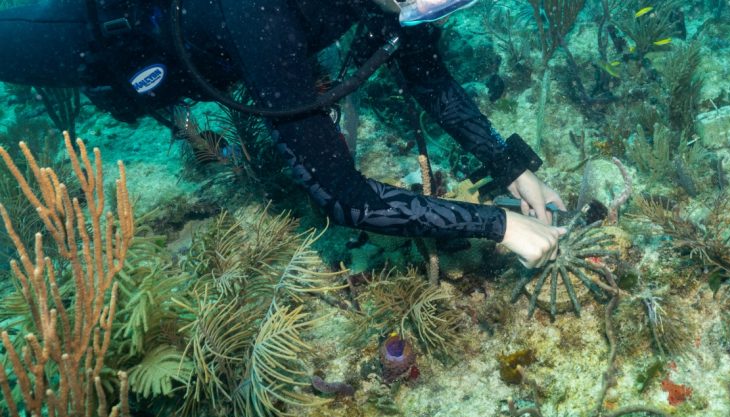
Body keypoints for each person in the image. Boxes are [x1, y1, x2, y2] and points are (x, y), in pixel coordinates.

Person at [0, 0, 566, 268]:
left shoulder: (401, 3)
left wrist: (508, 165)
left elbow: (426, 75)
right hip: (72, 35)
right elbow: (344, 196)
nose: (427, 6)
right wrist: (497, 224)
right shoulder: (262, 11)